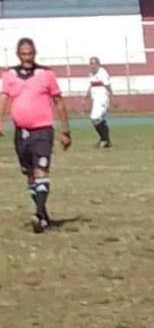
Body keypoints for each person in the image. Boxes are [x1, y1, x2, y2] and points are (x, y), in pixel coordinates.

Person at [0, 38, 73, 233]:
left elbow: (58, 102)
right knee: (30, 175)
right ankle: (44, 217)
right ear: (18, 55)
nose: (27, 58)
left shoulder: (46, 74)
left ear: (35, 53)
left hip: (42, 130)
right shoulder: (9, 75)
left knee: (41, 171)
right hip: (21, 133)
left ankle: (39, 214)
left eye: (30, 54)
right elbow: (4, 98)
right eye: (23, 54)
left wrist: (66, 130)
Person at [87, 56, 112, 148]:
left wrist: (112, 96)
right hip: (95, 100)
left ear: (98, 64)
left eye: (94, 63)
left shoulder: (103, 73)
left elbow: (108, 85)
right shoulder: (91, 74)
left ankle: (105, 140)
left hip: (102, 99)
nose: (92, 66)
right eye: (91, 63)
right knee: (97, 120)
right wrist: (86, 97)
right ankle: (104, 139)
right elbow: (91, 85)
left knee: (95, 118)